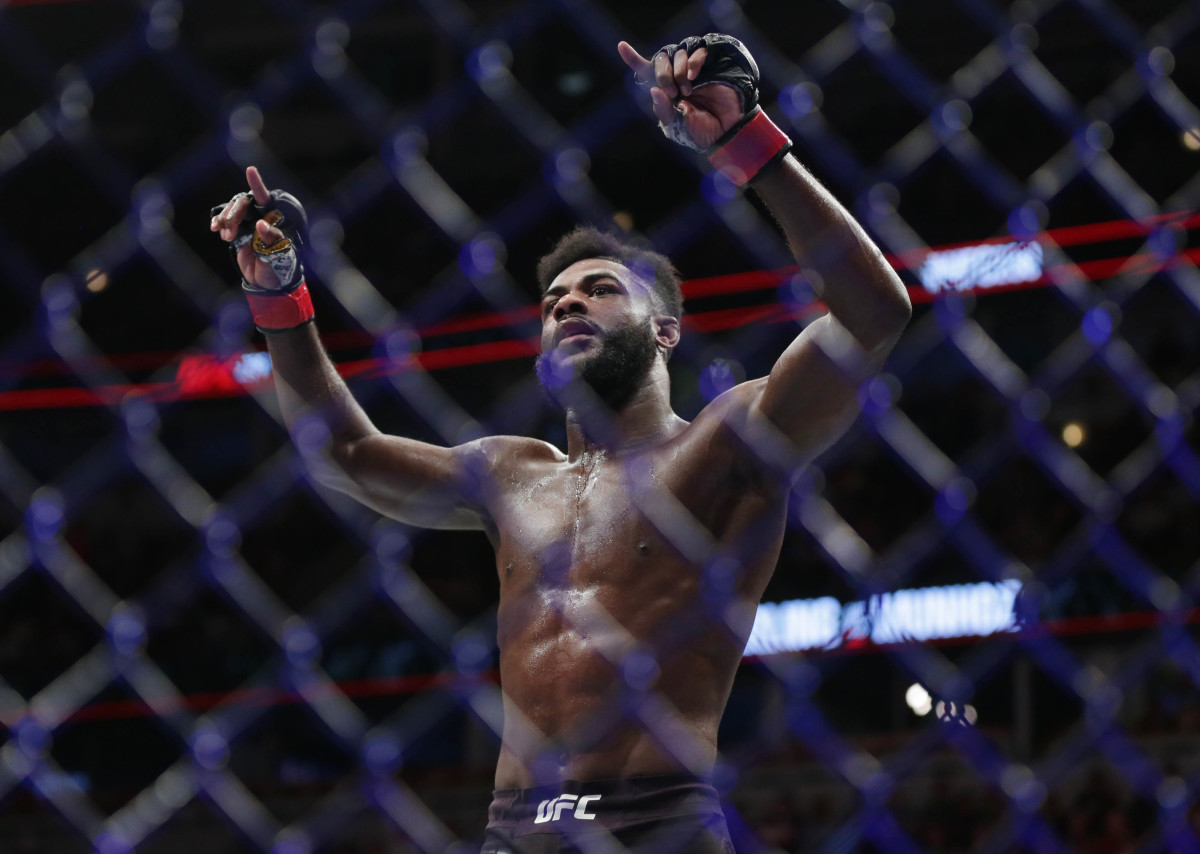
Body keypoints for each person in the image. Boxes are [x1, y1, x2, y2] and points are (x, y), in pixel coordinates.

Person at [211, 33, 910, 854]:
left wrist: (742, 142)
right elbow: (344, 455)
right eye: (552, 303)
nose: (568, 305)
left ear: (665, 330)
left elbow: (873, 313)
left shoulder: (727, 445)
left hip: (653, 824)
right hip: (515, 830)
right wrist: (280, 298)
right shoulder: (508, 473)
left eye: (599, 290)